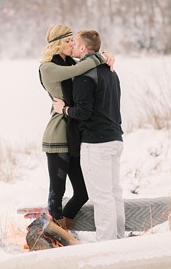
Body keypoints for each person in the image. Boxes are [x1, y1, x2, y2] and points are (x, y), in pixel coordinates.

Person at [38, 24, 113, 231]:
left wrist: (106, 54)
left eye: (73, 40)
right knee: (57, 189)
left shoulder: (70, 61)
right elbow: (80, 69)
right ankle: (52, 233)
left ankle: (62, 228)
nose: (73, 44)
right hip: (57, 134)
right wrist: (100, 56)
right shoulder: (48, 67)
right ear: (57, 44)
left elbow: (86, 61)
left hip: (74, 133)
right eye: (68, 40)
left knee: (82, 192)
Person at [52, 30, 124, 241]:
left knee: (102, 197)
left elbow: (83, 111)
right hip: (115, 138)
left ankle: (106, 244)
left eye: (75, 43)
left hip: (96, 143)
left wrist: (63, 109)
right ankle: (119, 239)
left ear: (83, 48)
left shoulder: (84, 75)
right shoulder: (111, 71)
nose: (72, 45)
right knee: (114, 193)